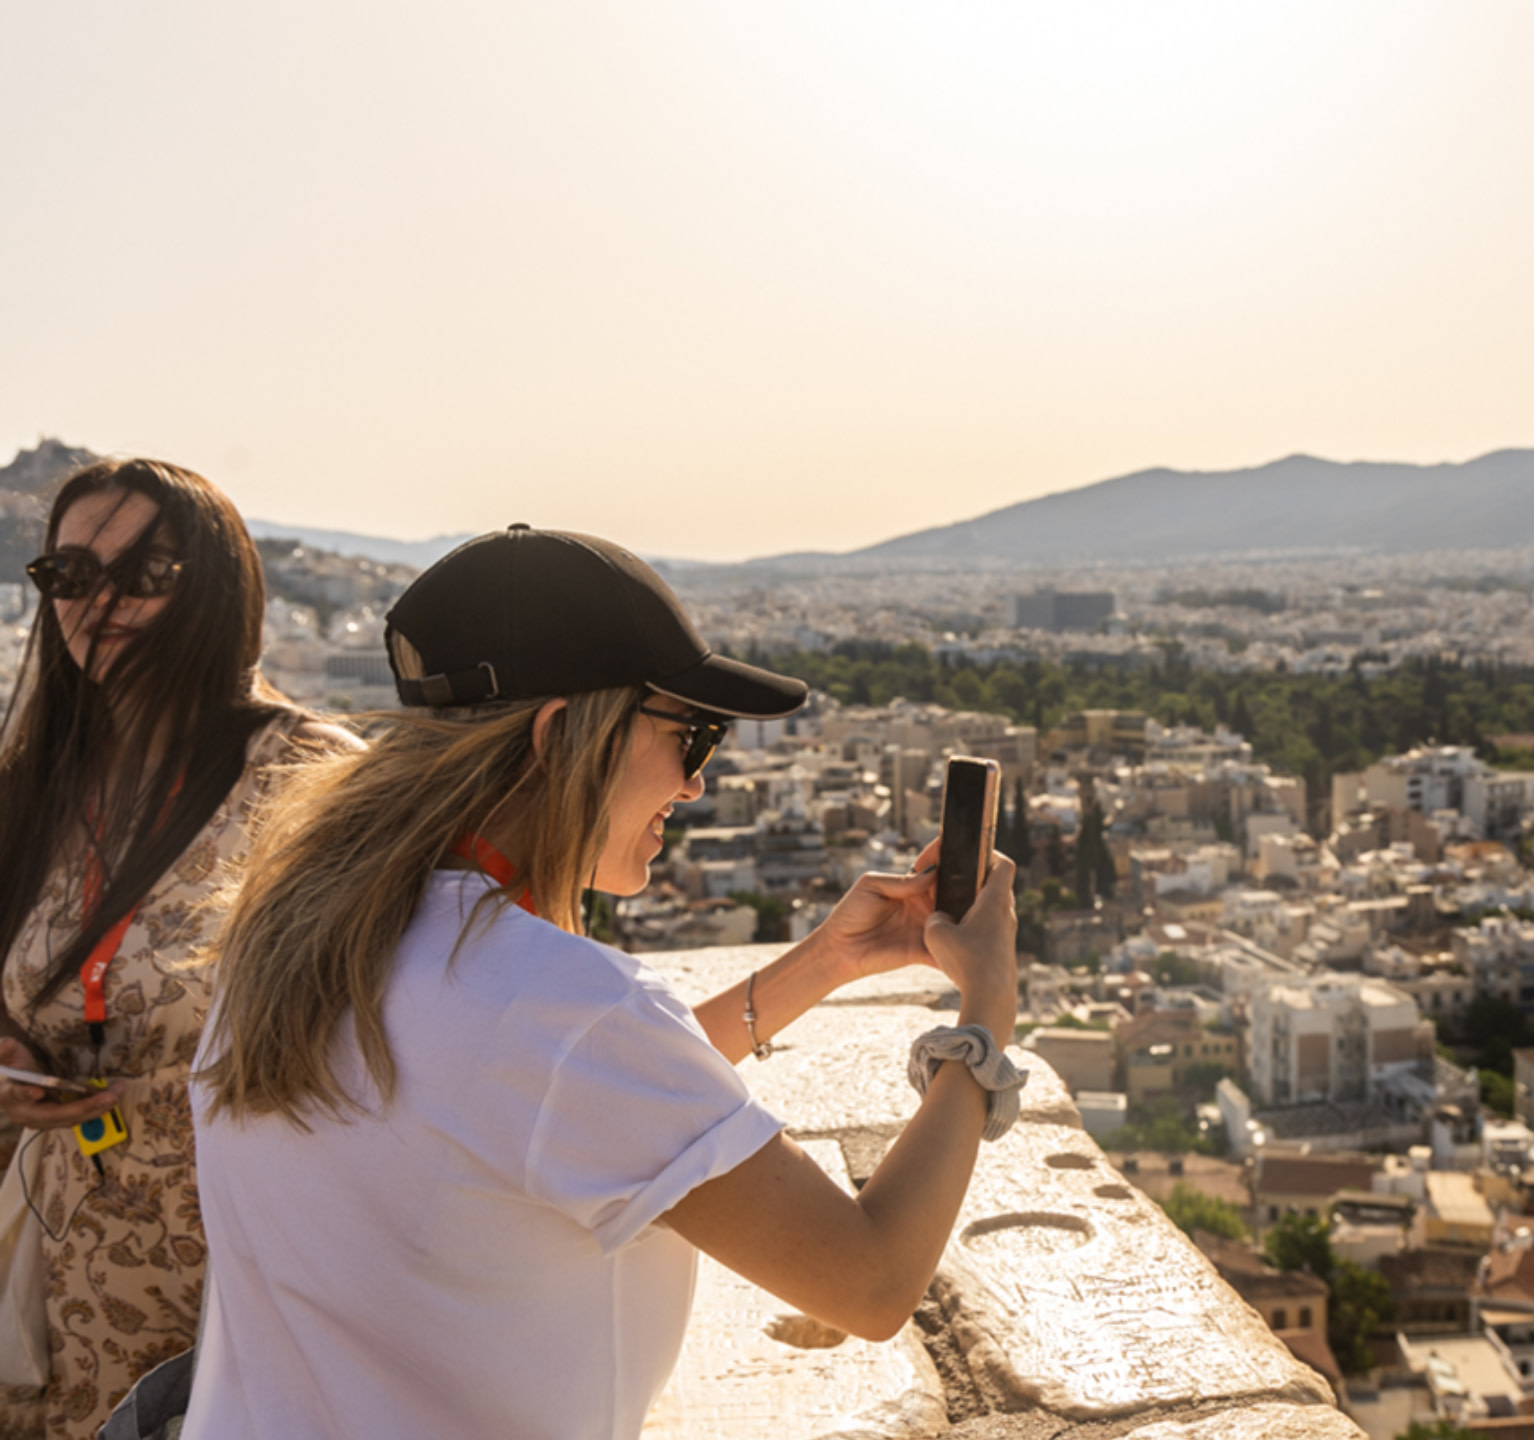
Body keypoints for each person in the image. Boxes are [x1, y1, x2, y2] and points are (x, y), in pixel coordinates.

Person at [185, 525, 1021, 1439]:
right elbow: (870, 1281)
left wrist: (829, 960)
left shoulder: (295, 933)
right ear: (559, 737)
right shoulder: (556, 1006)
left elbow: (538, 1102)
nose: (696, 785)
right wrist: (983, 1017)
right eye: (691, 736)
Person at [0, 459, 354, 1440]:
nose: (100, 602)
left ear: (214, 589)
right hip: (63, 1268)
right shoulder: (37, 782)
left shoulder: (308, 778)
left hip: (241, 1274)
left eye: (144, 574)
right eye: (69, 575)